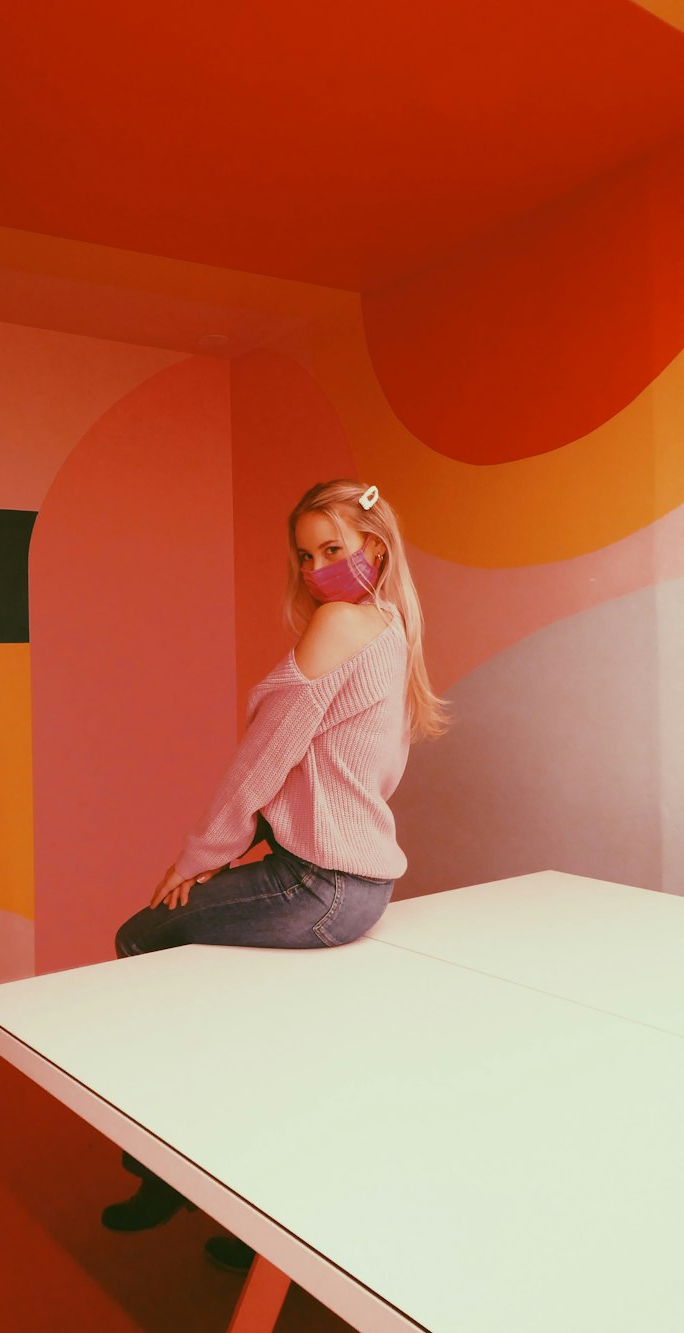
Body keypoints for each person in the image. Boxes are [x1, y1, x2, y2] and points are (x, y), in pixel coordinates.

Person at [102, 478, 451, 1272]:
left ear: (375, 548)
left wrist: (193, 860)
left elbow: (262, 759)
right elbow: (343, 771)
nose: (315, 569)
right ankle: (253, 1206)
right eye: (303, 555)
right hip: (357, 886)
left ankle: (164, 1170)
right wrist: (252, 845)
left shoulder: (337, 624)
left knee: (142, 936)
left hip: (317, 887)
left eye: (333, 549)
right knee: (252, 1018)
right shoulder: (392, 626)